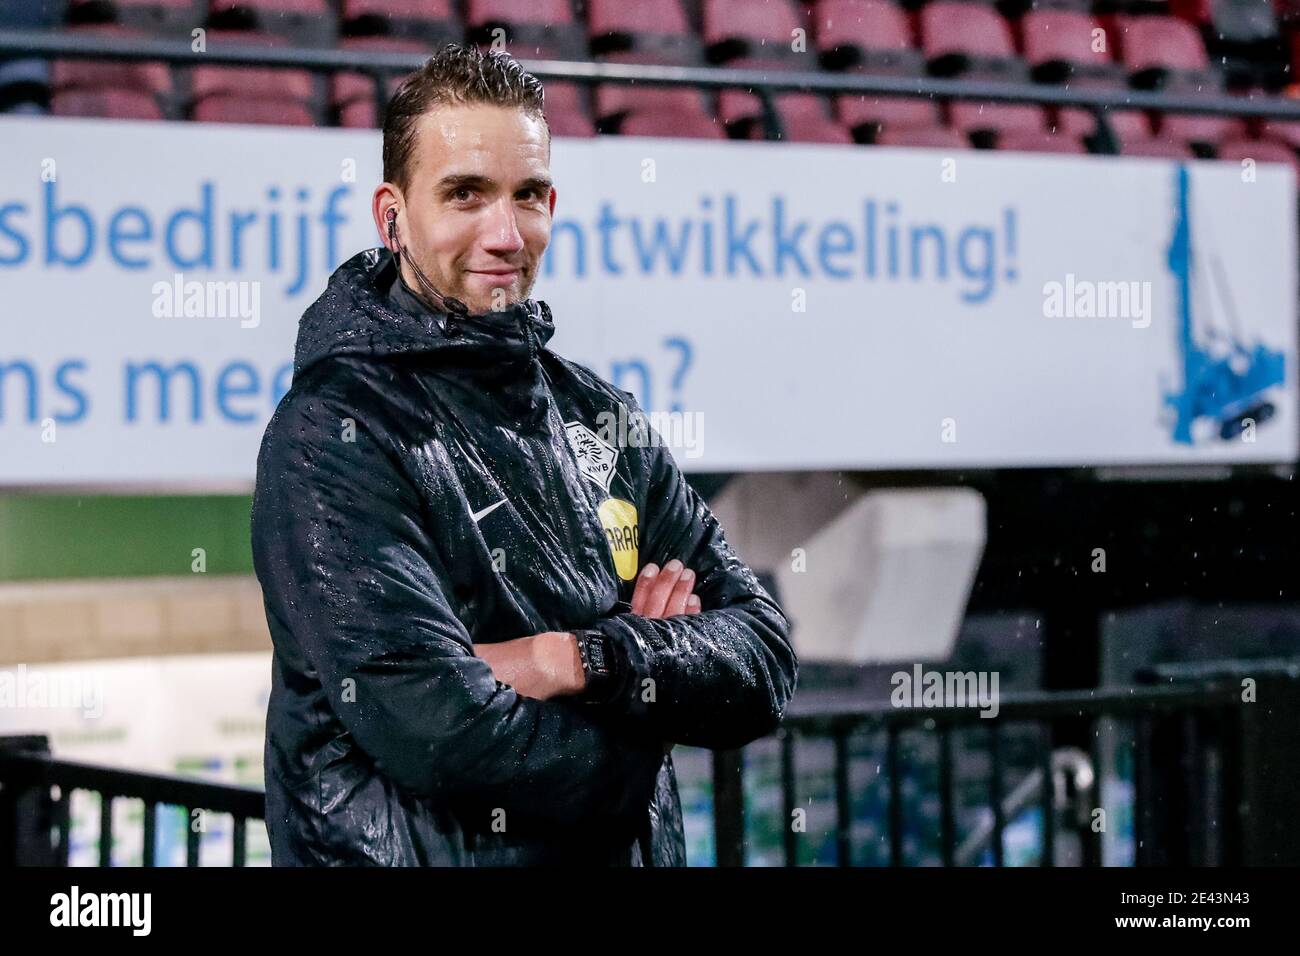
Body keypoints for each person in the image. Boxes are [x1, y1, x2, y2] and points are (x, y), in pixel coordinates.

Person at [250, 43, 798, 866]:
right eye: (465, 194)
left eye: (527, 196)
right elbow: (443, 731)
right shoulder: (331, 435)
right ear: (391, 215)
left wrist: (581, 656)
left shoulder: (596, 413)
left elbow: (762, 656)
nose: (505, 234)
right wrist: (651, 710)